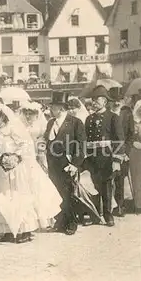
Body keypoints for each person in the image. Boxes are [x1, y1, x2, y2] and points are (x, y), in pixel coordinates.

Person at [0, 102, 62, 243]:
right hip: (3, 169)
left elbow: (26, 144)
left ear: (3, 117)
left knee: (20, 198)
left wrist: (16, 156)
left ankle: (25, 230)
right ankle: (8, 230)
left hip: (19, 169)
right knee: (5, 198)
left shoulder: (13, 128)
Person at [44, 91, 87, 235]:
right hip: (53, 163)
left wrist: (75, 164)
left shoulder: (75, 122)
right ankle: (60, 221)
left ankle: (71, 222)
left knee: (68, 192)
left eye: (53, 107)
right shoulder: (50, 122)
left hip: (67, 163)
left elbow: (81, 145)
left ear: (61, 108)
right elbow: (46, 141)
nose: (51, 110)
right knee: (55, 192)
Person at [83, 86, 126, 227]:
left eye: (97, 100)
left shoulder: (113, 117)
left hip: (107, 157)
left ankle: (108, 215)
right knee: (94, 186)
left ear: (105, 102)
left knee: (107, 186)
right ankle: (96, 214)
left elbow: (119, 139)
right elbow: (86, 139)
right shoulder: (89, 119)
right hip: (92, 157)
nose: (94, 103)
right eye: (93, 100)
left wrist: (116, 159)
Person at [109, 91, 134, 217]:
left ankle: (119, 205)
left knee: (120, 179)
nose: (116, 103)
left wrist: (126, 152)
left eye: (119, 100)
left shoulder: (127, 114)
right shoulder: (107, 114)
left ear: (123, 101)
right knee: (108, 179)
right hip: (108, 151)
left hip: (123, 152)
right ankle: (109, 205)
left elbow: (131, 135)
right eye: (114, 101)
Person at [130, 100, 141, 213]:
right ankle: (139, 204)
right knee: (138, 179)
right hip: (138, 153)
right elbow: (131, 137)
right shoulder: (136, 124)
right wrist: (134, 142)